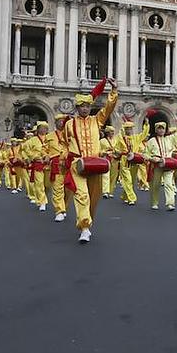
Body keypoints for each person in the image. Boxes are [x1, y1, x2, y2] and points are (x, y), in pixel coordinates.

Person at [63, 79, 119, 242]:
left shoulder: (97, 120)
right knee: (82, 195)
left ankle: (88, 220)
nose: (85, 109)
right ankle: (85, 227)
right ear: (78, 108)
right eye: (82, 106)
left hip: (95, 165)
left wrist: (114, 90)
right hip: (78, 165)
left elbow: (109, 108)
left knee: (94, 197)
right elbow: (66, 144)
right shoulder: (70, 124)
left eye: (88, 106)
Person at [145, 121, 177, 211]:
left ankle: (170, 203)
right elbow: (145, 154)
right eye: (159, 128)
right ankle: (154, 202)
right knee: (155, 185)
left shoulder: (170, 139)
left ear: (165, 130)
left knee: (169, 184)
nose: (161, 130)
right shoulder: (151, 141)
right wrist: (152, 159)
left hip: (168, 164)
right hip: (157, 165)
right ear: (156, 130)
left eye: (162, 128)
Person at [25, 121, 50, 212]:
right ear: (38, 129)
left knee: (47, 184)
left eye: (45, 128)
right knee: (39, 183)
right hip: (38, 162)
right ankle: (42, 201)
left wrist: (49, 156)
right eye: (41, 127)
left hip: (48, 163)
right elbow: (25, 148)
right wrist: (33, 157)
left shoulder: (50, 138)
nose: (43, 129)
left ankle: (44, 196)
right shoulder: (32, 140)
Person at [99, 125, 116, 199]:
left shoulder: (116, 140)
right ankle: (105, 191)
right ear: (107, 132)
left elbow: (118, 148)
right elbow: (99, 150)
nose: (112, 133)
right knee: (105, 175)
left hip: (114, 159)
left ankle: (111, 191)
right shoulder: (102, 141)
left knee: (113, 176)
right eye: (111, 131)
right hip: (105, 159)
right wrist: (104, 152)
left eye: (113, 131)